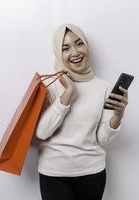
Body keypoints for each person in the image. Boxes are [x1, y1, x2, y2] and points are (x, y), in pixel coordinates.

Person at [35, 23, 129, 200]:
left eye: (79, 44)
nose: (75, 52)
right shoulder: (49, 85)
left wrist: (118, 115)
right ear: (58, 53)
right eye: (66, 48)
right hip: (54, 174)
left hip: (92, 172)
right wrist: (68, 93)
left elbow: (102, 139)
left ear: (87, 46)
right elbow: (42, 132)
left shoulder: (104, 87)